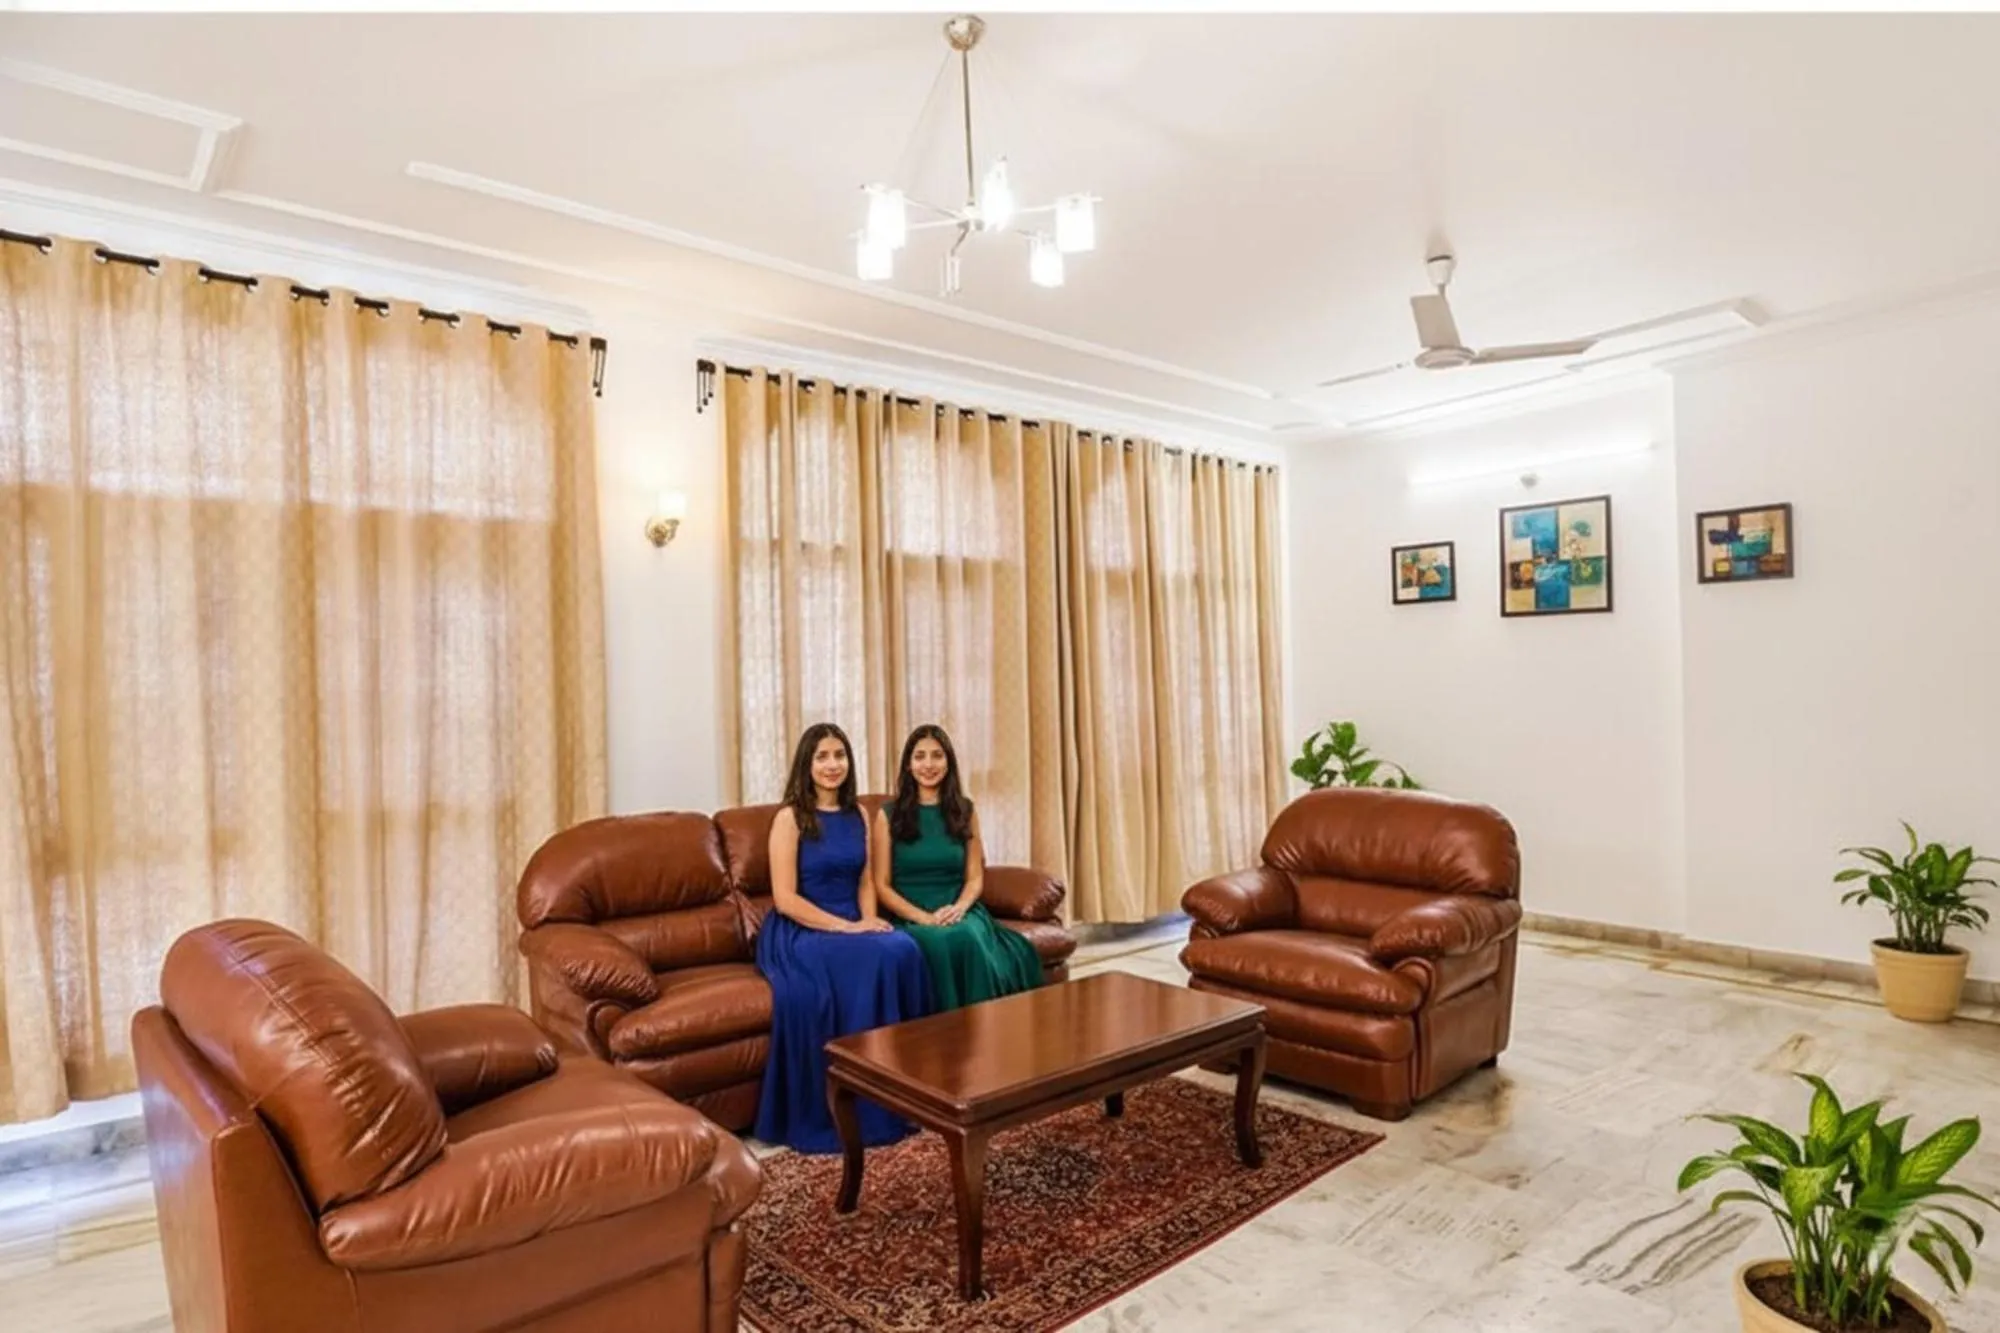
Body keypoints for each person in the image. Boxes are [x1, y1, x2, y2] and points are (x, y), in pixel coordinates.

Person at [753, 722, 932, 1153]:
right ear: (806, 764)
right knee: (876, 958)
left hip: (851, 920)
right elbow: (784, 899)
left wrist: (868, 922)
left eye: (839, 755)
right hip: (803, 929)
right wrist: (849, 929)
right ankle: (859, 1103)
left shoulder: (858, 816)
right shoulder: (790, 818)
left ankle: (910, 1090)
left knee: (904, 949)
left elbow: (866, 881)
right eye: (822, 757)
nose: (832, 765)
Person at [871, 724, 1044, 1010]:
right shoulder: (887, 816)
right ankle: (949, 1036)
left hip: (959, 909)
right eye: (920, 756)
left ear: (948, 762)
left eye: (937, 756)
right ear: (908, 765)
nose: (929, 764)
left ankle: (983, 1030)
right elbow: (881, 885)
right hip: (910, 913)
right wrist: (923, 918)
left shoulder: (965, 810)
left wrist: (960, 908)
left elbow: (975, 877)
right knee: (939, 942)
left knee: (963, 935)